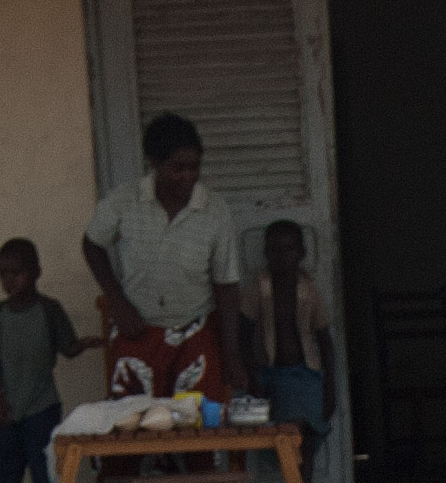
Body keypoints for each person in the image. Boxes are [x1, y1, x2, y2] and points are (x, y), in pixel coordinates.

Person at [83, 112, 252, 404]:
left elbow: (226, 287)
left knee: (197, 423)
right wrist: (117, 301)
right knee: (132, 421)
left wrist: (232, 356)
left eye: (194, 167)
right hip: (138, 328)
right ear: (154, 163)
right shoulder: (125, 200)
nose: (188, 176)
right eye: (177, 168)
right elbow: (92, 244)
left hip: (196, 331)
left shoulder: (215, 211)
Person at [0, 235, 90, 483]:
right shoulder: (0, 314)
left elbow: (68, 347)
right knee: (8, 469)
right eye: (3, 274)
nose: (9, 281)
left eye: (16, 273)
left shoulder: (48, 309)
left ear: (36, 272)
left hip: (42, 405)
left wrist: (91, 342)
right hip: (9, 408)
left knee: (43, 467)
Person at [235, 217, 336, 451]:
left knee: (305, 434)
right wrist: (251, 375)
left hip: (303, 373)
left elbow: (324, 339)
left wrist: (330, 386)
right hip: (268, 372)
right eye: (274, 250)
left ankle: (302, 477)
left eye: (289, 249)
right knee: (284, 436)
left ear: (301, 253)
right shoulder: (259, 287)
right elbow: (243, 334)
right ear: (266, 253)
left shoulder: (308, 290)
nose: (281, 256)